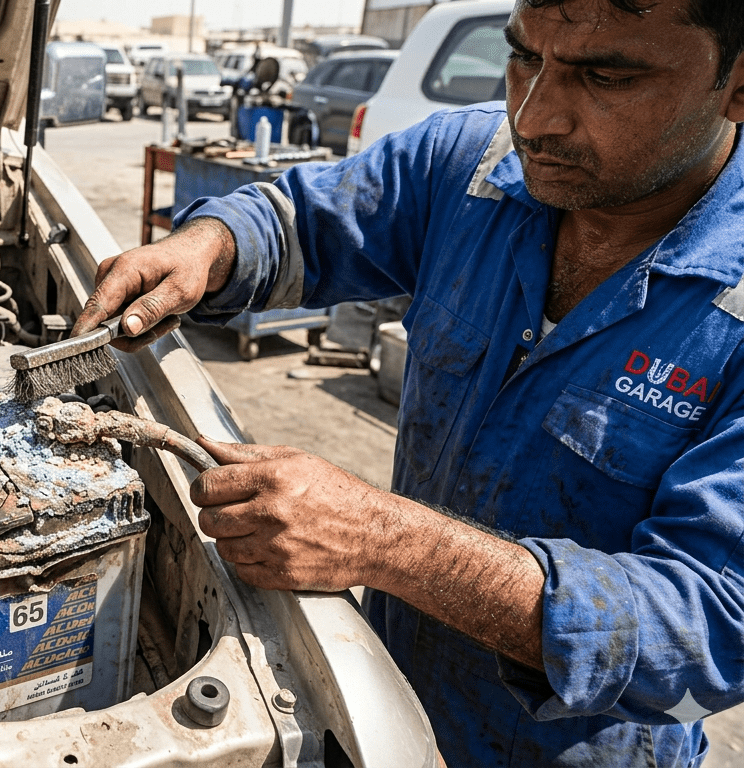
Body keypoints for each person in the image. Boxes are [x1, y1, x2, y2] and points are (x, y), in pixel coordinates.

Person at [71, 0, 744, 765]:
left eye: (607, 76)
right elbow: (302, 219)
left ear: (737, 82)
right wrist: (209, 244)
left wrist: (384, 542)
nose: (535, 116)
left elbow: (715, 627)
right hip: (385, 704)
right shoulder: (476, 163)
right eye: (525, 57)